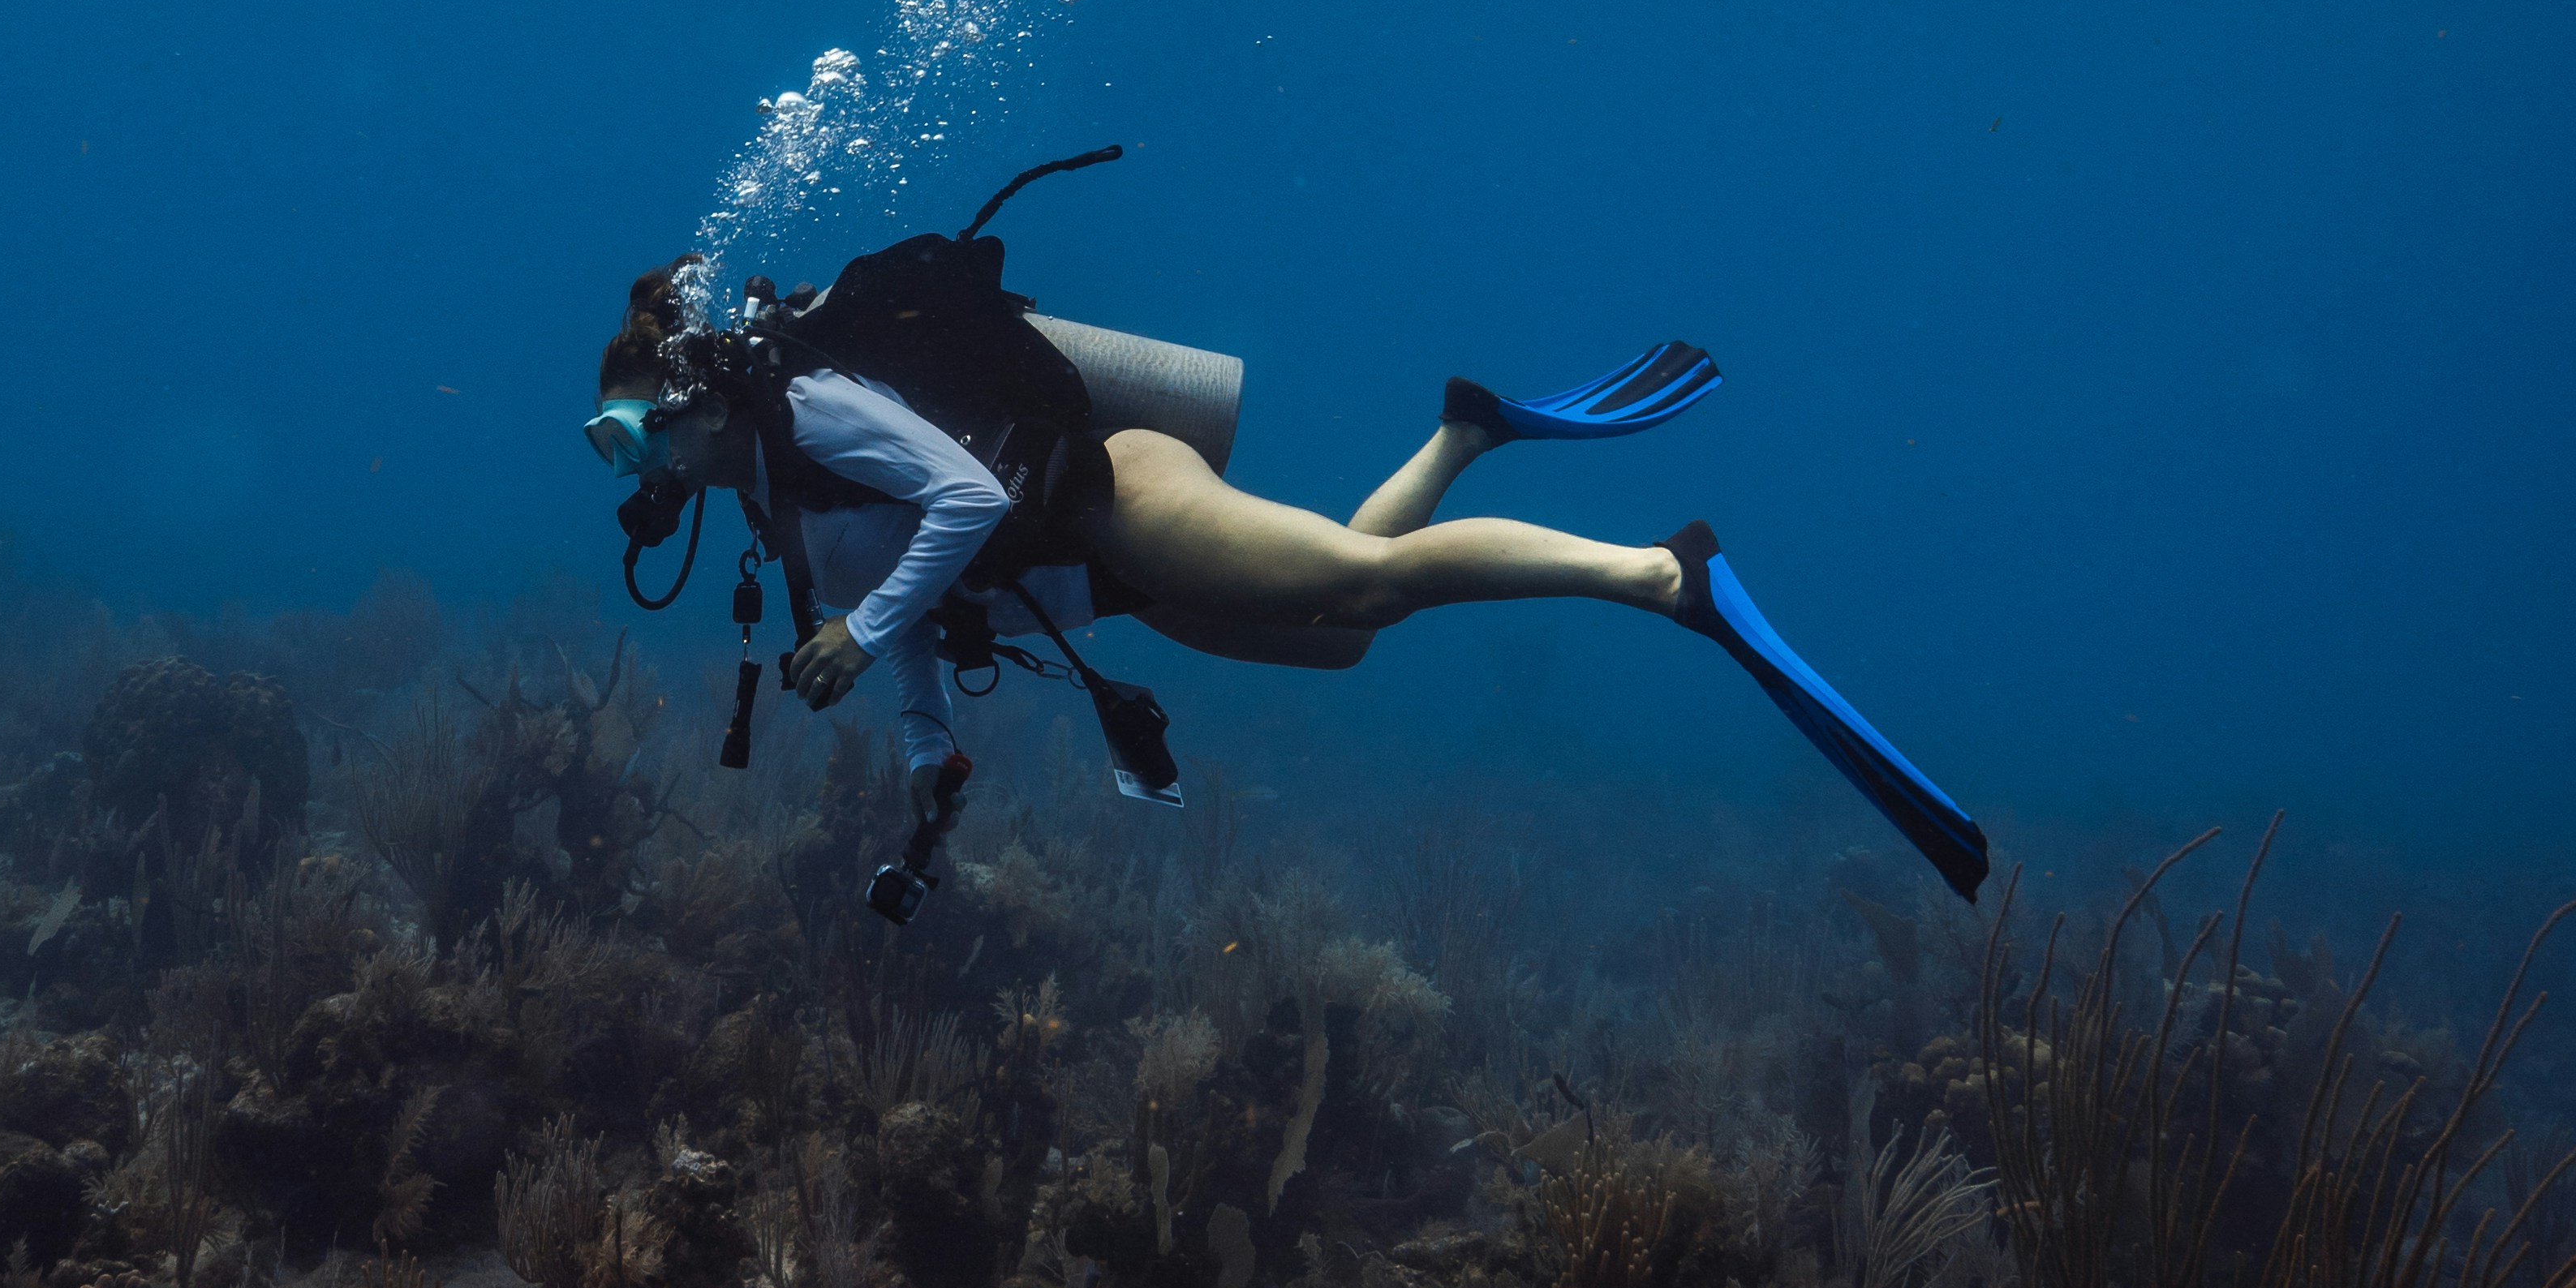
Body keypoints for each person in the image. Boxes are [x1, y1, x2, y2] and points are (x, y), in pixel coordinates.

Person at [583, 243, 1986, 901]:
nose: (634, 468)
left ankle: (1665, 578)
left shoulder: (808, 410)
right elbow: (902, 618)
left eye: (630, 433)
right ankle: (1464, 432)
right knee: (1343, 633)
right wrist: (924, 755)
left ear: (696, 397)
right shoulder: (771, 499)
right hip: (1094, 583)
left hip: (1119, 502)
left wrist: (865, 625)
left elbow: (956, 494)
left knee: (1361, 588)